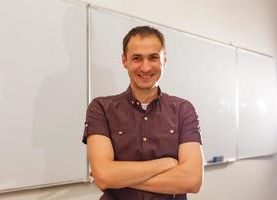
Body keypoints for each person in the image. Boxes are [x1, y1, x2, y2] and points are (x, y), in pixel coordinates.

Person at [82, 26, 203, 200]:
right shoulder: (101, 108)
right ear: (124, 61)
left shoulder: (183, 110)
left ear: (164, 60)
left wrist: (116, 177)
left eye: (153, 57)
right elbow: (102, 175)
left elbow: (192, 181)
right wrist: (166, 164)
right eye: (137, 58)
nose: (145, 68)